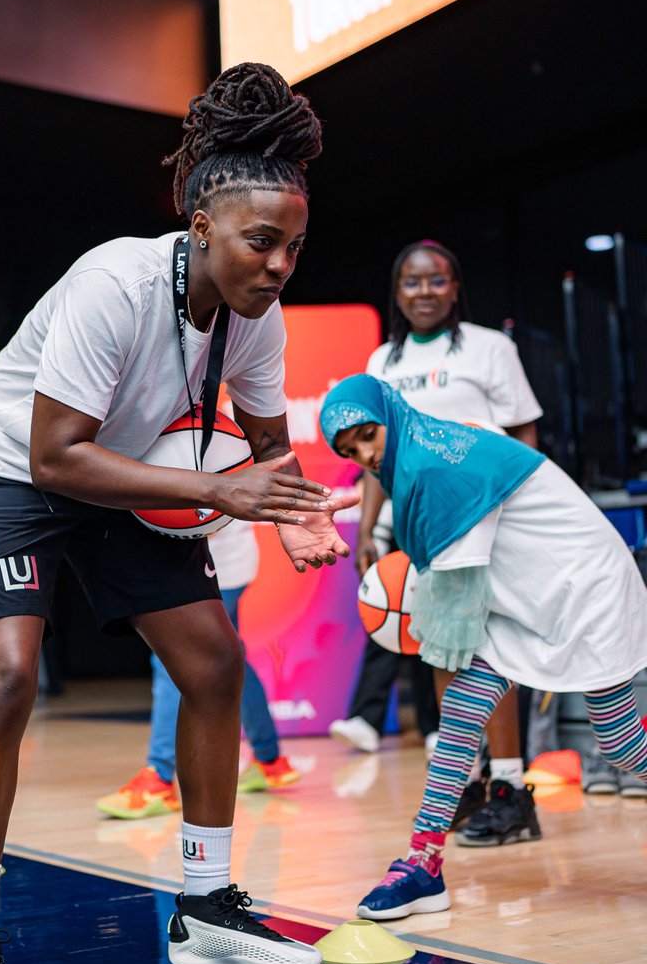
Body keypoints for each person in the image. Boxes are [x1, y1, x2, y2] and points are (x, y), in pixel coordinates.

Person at [0, 62, 358, 964]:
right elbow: (54, 455)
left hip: (121, 471)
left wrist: (296, 509)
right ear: (201, 227)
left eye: (294, 246)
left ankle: (206, 911)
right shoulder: (113, 284)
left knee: (213, 664)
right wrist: (221, 491)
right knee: (5, 677)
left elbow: (266, 447)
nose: (280, 264)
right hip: (16, 470)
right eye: (263, 242)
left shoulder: (255, 317)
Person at [320, 374, 647, 920]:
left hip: (586, 590)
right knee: (462, 717)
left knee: (620, 746)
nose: (367, 454)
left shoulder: (432, 469)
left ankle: (422, 864)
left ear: (388, 414)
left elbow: (453, 612)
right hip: (528, 594)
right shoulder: (424, 446)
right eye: (351, 451)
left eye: (367, 435)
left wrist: (408, 620)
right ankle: (423, 864)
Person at [334, 239, 544, 848]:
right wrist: (371, 532)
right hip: (420, 527)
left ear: (454, 287)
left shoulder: (490, 348)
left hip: (488, 518)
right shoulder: (381, 363)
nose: (424, 292)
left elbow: (524, 433)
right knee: (439, 652)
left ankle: (510, 789)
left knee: (490, 653)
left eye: (436, 281)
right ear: (397, 293)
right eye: (412, 283)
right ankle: (472, 783)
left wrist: (525, 507)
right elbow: (373, 458)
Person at [96, 520, 300, 819]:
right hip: (218, 563)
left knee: (172, 657)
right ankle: (270, 761)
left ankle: (159, 778)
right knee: (231, 659)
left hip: (216, 567)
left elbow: (202, 516)